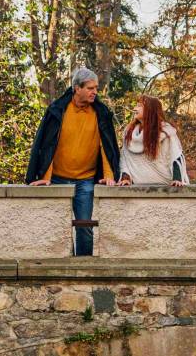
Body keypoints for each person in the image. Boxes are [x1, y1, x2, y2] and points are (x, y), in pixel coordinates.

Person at [25, 66, 128, 256]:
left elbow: (106, 146)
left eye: (96, 88)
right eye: (90, 88)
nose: (95, 92)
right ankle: (58, 268)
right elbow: (47, 145)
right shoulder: (58, 110)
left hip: (85, 180)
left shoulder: (101, 113)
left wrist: (108, 175)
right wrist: (45, 176)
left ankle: (84, 268)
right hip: (57, 178)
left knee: (84, 226)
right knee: (55, 228)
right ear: (77, 88)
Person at [118, 94, 189, 187]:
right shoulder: (129, 133)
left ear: (150, 110)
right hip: (138, 189)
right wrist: (126, 178)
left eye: (139, 106)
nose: (135, 108)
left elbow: (175, 155)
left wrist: (177, 179)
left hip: (163, 185)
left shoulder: (165, 131)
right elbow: (125, 159)